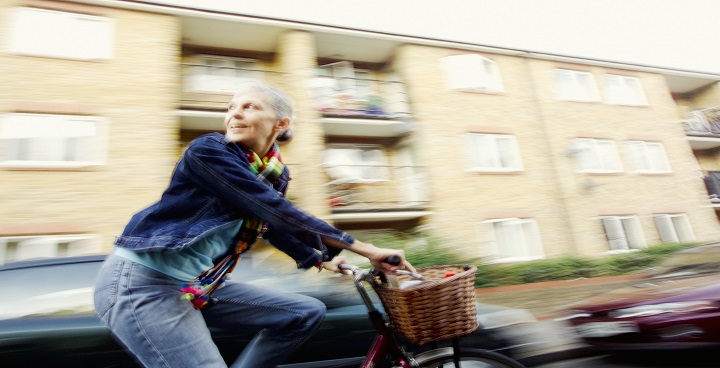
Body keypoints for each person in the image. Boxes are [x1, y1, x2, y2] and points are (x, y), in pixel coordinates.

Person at [93, 82, 415, 368]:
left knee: (304, 313)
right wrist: (366, 248)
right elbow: (273, 209)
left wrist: (323, 259)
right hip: (142, 283)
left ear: (281, 123)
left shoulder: (275, 172)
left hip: (195, 283)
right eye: (230, 107)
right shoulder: (207, 151)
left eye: (249, 106)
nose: (234, 114)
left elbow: (271, 225)